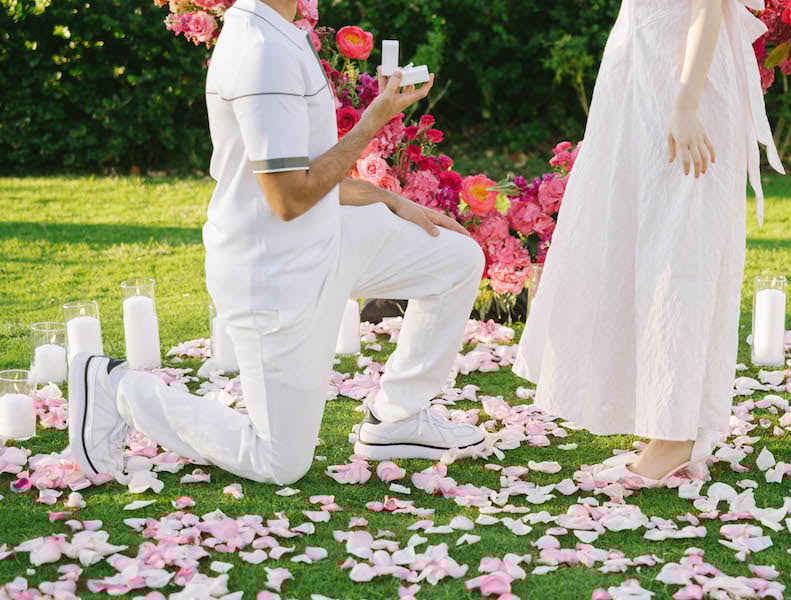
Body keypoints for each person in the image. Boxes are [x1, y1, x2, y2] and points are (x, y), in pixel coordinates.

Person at [67, 0, 486, 485]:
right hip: (274, 272)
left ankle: (398, 417)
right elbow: (288, 196)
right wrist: (375, 119)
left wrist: (384, 199)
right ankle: (114, 386)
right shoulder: (261, 51)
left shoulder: (281, 32)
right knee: (280, 463)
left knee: (454, 258)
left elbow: (297, 168)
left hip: (329, 237)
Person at [514, 0, 783, 487]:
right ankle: (668, 421)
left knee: (679, 253)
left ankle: (677, 434)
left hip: (683, 89)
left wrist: (685, 103)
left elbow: (706, 9)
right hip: (644, 80)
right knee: (643, 246)